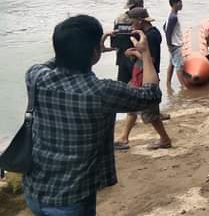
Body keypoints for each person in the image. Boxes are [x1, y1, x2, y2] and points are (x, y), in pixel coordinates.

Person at [23, 15, 161, 215]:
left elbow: (56, 61)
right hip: (73, 196)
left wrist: (86, 51)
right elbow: (151, 94)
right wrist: (146, 54)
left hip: (35, 190)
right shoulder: (101, 92)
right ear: (95, 52)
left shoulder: (35, 76)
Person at [114, 8, 172, 151]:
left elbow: (150, 59)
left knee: (150, 113)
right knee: (132, 106)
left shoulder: (150, 36)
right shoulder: (150, 33)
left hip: (145, 76)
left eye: (133, 22)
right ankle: (124, 137)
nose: (132, 25)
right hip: (140, 73)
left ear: (140, 21)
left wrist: (135, 53)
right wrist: (134, 51)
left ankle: (165, 139)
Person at [114, 0, 144, 84]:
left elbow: (115, 38)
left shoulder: (119, 18)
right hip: (135, 56)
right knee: (137, 85)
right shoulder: (140, 19)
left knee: (122, 84)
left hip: (121, 55)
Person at [164, 0, 186, 88]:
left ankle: (168, 83)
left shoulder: (170, 15)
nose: (181, 4)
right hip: (175, 45)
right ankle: (184, 87)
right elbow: (168, 31)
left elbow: (164, 27)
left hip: (172, 44)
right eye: (179, 2)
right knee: (179, 66)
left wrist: (169, 44)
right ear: (174, 4)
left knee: (171, 64)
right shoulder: (173, 17)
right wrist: (169, 44)